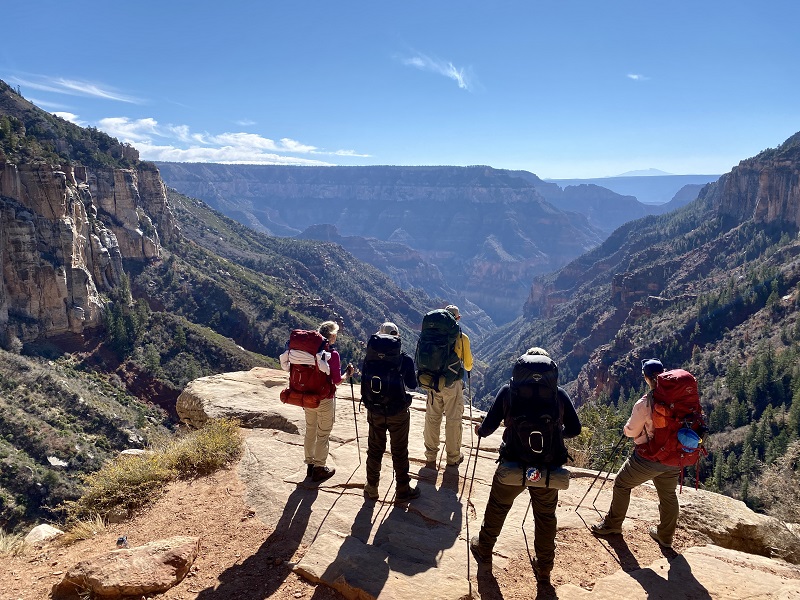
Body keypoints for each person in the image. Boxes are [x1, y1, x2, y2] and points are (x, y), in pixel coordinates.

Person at [470, 347, 581, 582]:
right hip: (548, 469)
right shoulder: (558, 395)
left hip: (513, 464)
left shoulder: (508, 392)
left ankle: (485, 549)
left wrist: (480, 430)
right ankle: (544, 567)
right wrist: (557, 433)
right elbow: (575, 429)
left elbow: (488, 427)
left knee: (498, 506)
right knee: (545, 517)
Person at [591, 358, 679, 548]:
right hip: (674, 456)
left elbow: (631, 431)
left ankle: (613, 525)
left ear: (646, 378)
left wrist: (626, 429)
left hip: (651, 457)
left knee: (622, 483)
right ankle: (665, 536)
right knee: (668, 495)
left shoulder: (645, 403)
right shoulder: (677, 397)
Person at [362, 322, 420, 503]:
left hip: (375, 410)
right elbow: (412, 385)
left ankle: (372, 487)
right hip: (398, 412)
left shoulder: (370, 357)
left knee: (375, 449)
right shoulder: (405, 359)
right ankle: (403, 490)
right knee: (400, 451)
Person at [423, 304, 473, 469]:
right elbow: (468, 365)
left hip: (432, 381)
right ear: (457, 319)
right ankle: (452, 458)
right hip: (452, 384)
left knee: (432, 418)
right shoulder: (461, 337)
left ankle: (430, 457)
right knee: (453, 420)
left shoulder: (430, 334)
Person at [305, 320, 354, 483]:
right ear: (331, 336)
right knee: (323, 433)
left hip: (307, 396)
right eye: (336, 334)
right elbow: (336, 381)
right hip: (324, 398)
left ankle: (310, 465)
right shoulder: (332, 354)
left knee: (310, 429)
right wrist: (348, 374)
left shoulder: (308, 350)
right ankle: (319, 468)